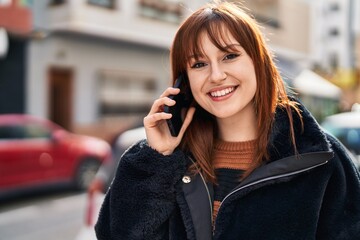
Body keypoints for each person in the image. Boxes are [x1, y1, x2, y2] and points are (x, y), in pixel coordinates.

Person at [95, 1, 360, 239]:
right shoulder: (167, 162)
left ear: (258, 62)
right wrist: (157, 158)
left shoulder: (321, 158)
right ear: (183, 82)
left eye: (230, 56)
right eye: (199, 64)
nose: (216, 75)